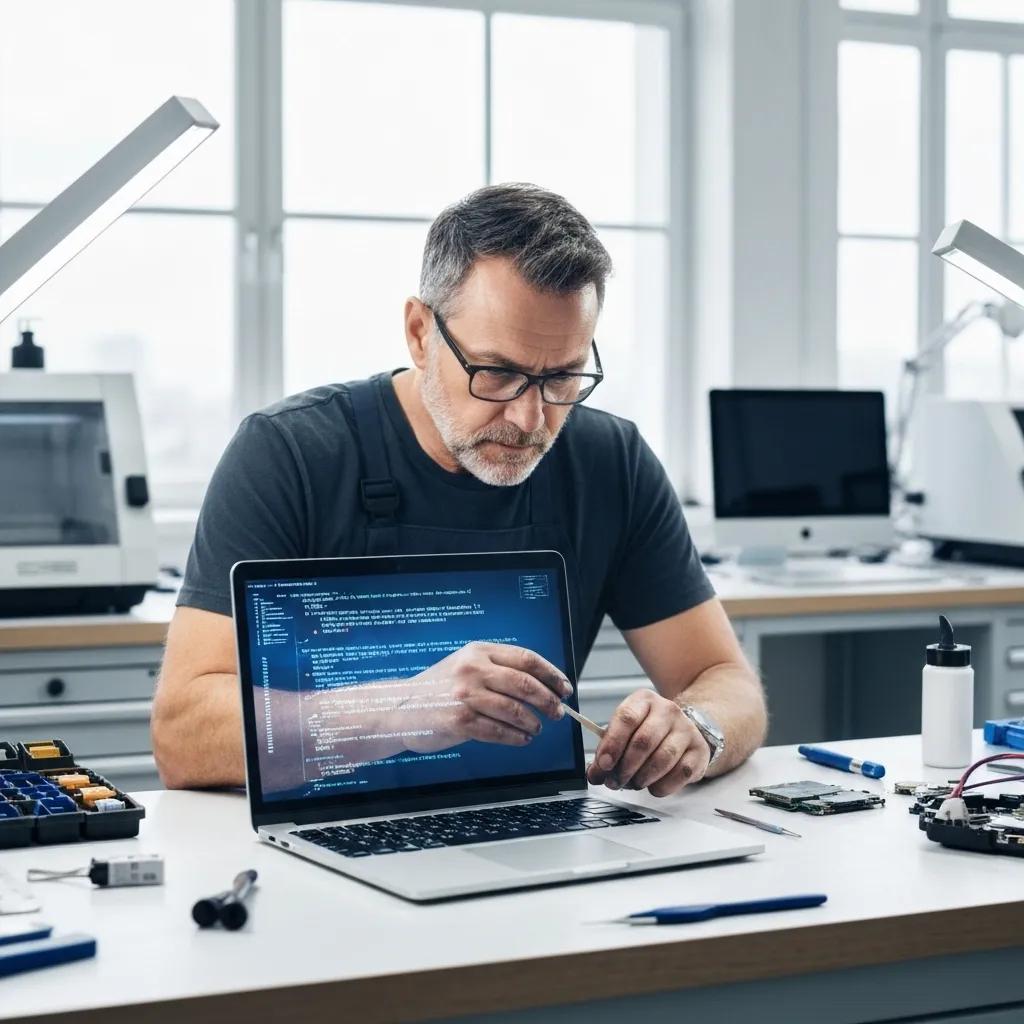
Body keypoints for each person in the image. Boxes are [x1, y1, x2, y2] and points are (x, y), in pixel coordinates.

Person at [152, 182, 767, 797]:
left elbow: (725, 681)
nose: (529, 421)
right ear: (420, 333)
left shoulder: (612, 461)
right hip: (325, 833)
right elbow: (183, 733)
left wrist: (695, 729)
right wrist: (404, 709)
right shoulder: (288, 453)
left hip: (531, 831)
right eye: (496, 372)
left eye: (562, 378)